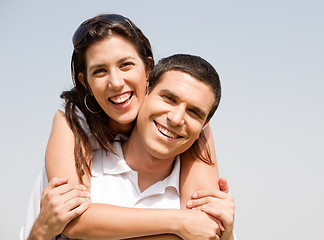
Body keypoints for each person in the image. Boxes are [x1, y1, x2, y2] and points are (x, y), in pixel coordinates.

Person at [20, 14, 230, 239]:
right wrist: (178, 222)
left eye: (126, 65)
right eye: (100, 71)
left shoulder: (190, 130)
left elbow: (204, 229)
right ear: (85, 83)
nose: (116, 82)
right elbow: (71, 220)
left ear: (148, 69)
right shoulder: (74, 123)